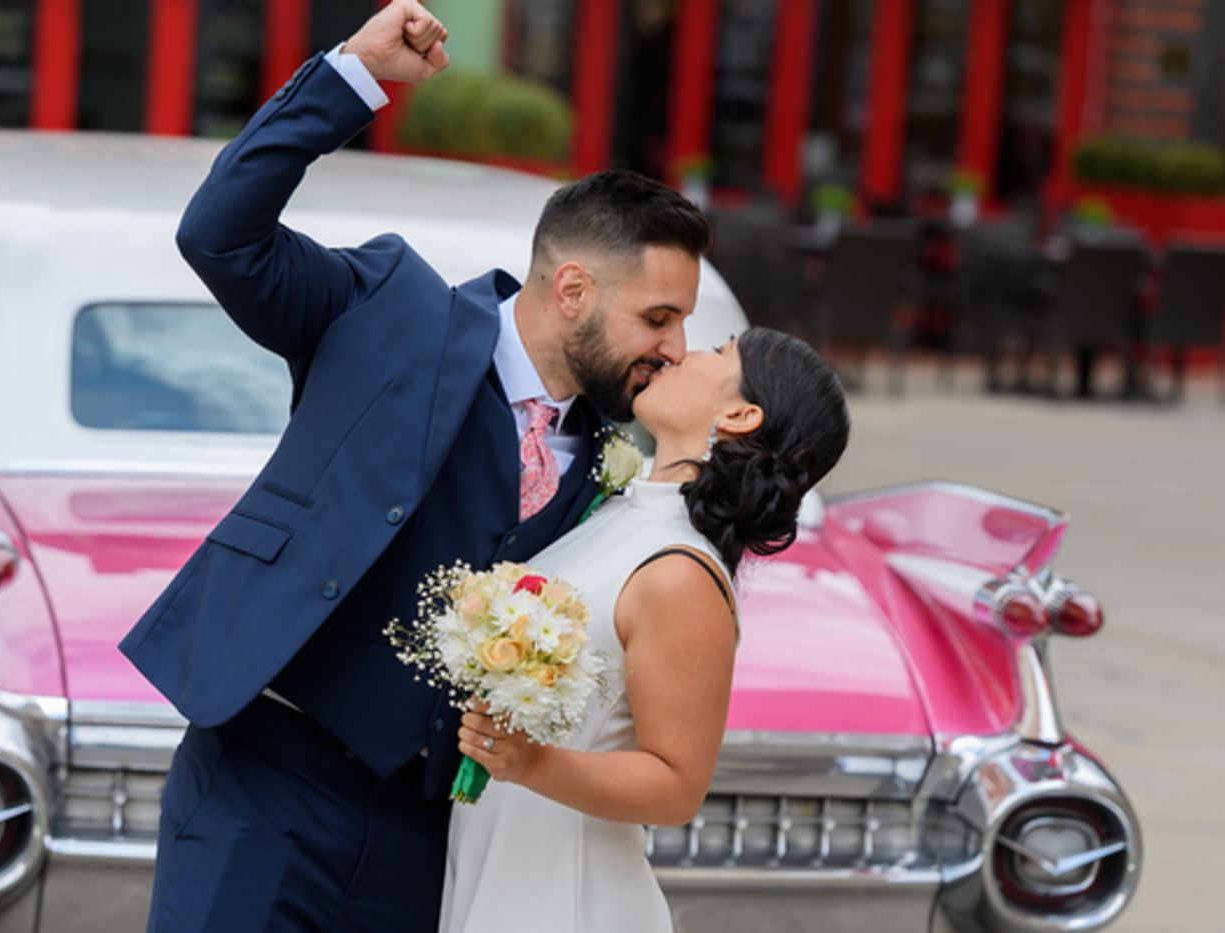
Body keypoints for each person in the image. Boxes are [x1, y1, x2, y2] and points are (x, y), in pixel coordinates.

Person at [116, 2, 711, 930]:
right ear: (572, 290)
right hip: (265, 784)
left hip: (431, 833)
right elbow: (220, 236)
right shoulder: (389, 308)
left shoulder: (616, 452)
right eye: (659, 318)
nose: (674, 349)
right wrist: (355, 73)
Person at [441, 327, 851, 932]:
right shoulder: (620, 511)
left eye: (718, 353)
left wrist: (530, 764)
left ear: (740, 414)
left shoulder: (681, 572)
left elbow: (676, 784)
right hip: (500, 861)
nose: (682, 352)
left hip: (566, 897)